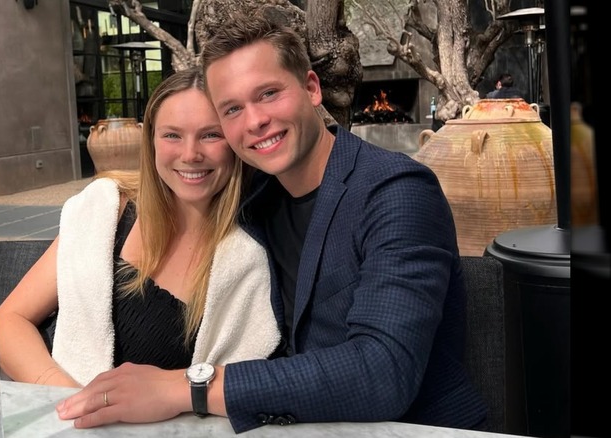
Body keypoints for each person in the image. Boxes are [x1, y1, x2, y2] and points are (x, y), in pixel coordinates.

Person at [56, 15, 488, 433]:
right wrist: (116, 193)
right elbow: (188, 172)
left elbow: (382, 370)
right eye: (232, 109)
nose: (255, 120)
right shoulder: (260, 197)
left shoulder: (396, 191)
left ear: (312, 88)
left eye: (268, 94)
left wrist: (186, 386)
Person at [0, 67, 280, 389]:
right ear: (151, 141)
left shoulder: (255, 250)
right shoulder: (105, 213)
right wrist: (70, 400)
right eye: (172, 135)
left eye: (211, 134)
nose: (190, 154)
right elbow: (4, 324)